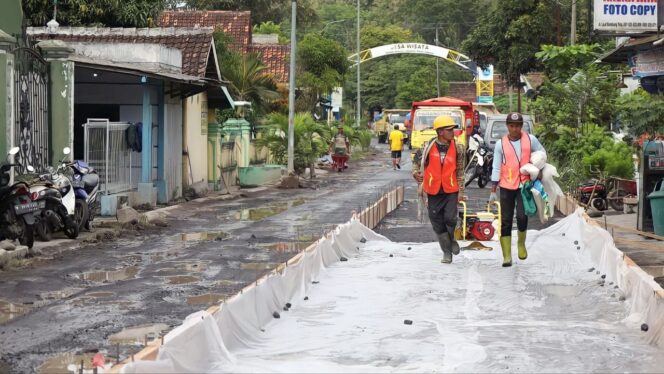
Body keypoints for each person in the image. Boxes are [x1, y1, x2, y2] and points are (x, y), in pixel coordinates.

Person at [489, 112, 546, 267]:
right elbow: (496, 166)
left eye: (518, 126)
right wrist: (493, 189)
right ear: (507, 126)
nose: (515, 129)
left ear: (522, 126)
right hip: (506, 186)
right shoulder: (501, 144)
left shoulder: (530, 139)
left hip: (524, 185)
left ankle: (521, 244)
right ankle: (507, 256)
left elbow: (542, 154)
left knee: (522, 216)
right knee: (506, 220)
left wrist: (539, 169)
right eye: (512, 125)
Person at [413, 115, 465, 264]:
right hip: (433, 189)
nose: (453, 132)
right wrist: (415, 173)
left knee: (450, 218)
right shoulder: (427, 147)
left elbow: (460, 171)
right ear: (440, 132)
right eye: (449, 130)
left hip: (451, 189)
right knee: (437, 222)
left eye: (453, 129)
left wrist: (461, 191)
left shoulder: (459, 148)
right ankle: (447, 251)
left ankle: (450, 241)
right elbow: (416, 163)